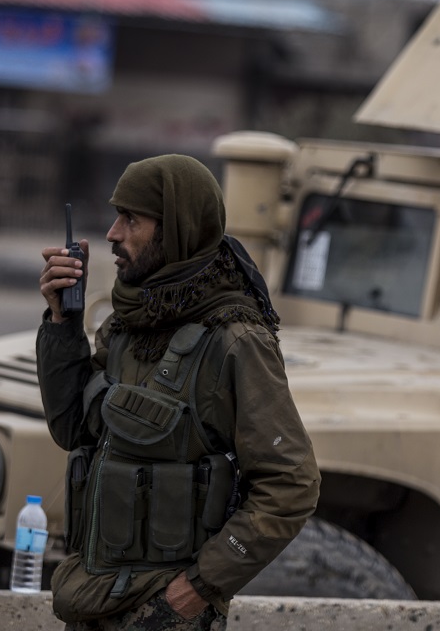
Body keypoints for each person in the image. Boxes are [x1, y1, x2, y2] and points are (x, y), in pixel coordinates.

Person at [37, 154, 320, 630]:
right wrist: (61, 323)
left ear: (175, 229)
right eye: (115, 216)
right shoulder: (129, 324)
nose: (112, 234)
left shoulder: (235, 339)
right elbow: (72, 428)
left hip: (166, 610)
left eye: (131, 219)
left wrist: (196, 589)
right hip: (93, 596)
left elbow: (290, 486)